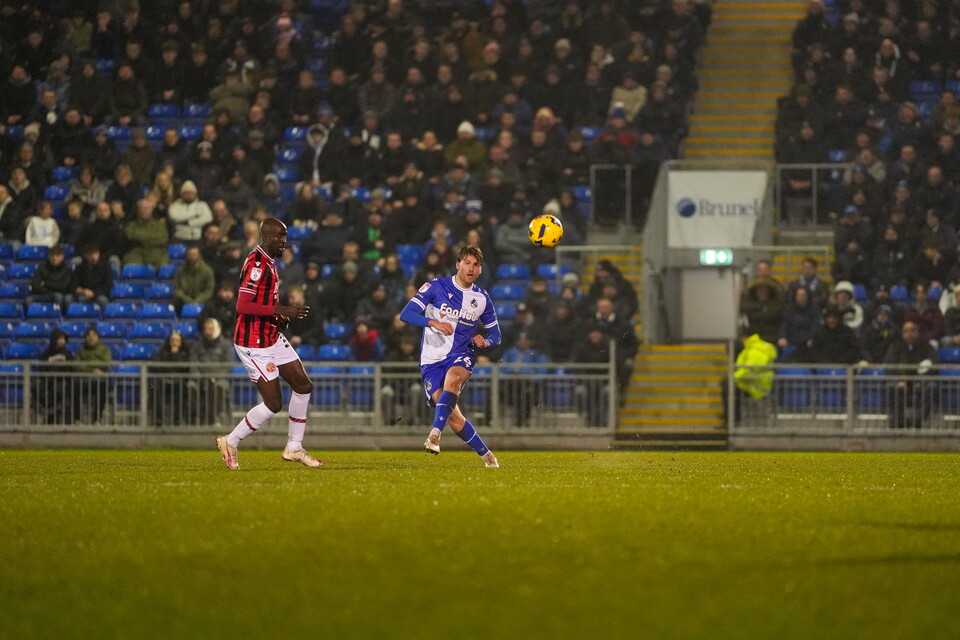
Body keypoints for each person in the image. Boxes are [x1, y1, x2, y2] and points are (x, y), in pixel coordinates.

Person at [216, 217, 323, 470]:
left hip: (270, 335)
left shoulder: (270, 263)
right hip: (253, 342)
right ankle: (230, 441)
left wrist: (278, 317)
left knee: (303, 385)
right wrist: (282, 308)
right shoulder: (256, 264)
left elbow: (262, 305)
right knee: (274, 403)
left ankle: (294, 448)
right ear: (266, 237)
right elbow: (243, 305)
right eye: (279, 236)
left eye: (285, 236)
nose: (284, 241)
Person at [399, 244, 501, 467]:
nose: (471, 268)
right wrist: (432, 322)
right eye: (467, 263)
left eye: (476, 265)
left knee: (453, 382)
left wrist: (486, 341)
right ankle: (488, 457)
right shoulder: (436, 286)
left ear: (480, 270)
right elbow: (406, 314)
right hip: (431, 360)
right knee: (453, 417)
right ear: (458, 264)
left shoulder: (482, 298)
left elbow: (496, 335)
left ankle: (434, 434)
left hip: (461, 354)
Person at [884, 320, 938, 429]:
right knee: (891, 387)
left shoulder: (926, 346)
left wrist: (920, 380)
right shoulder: (896, 346)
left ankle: (916, 421)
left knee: (932, 387)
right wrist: (900, 379)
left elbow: (934, 365)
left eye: (913, 330)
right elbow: (889, 366)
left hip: (921, 382)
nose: (910, 333)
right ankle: (899, 422)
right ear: (902, 333)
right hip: (901, 382)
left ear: (918, 332)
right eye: (906, 331)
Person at [150, 331, 192, 426]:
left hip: (179, 382)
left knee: (183, 389)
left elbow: (185, 369)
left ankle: (177, 420)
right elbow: (155, 366)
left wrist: (174, 356)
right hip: (162, 381)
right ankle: (158, 419)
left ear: (181, 342)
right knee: (152, 386)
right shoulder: (162, 352)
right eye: (172, 340)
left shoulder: (186, 354)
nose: (174, 342)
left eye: (177, 340)